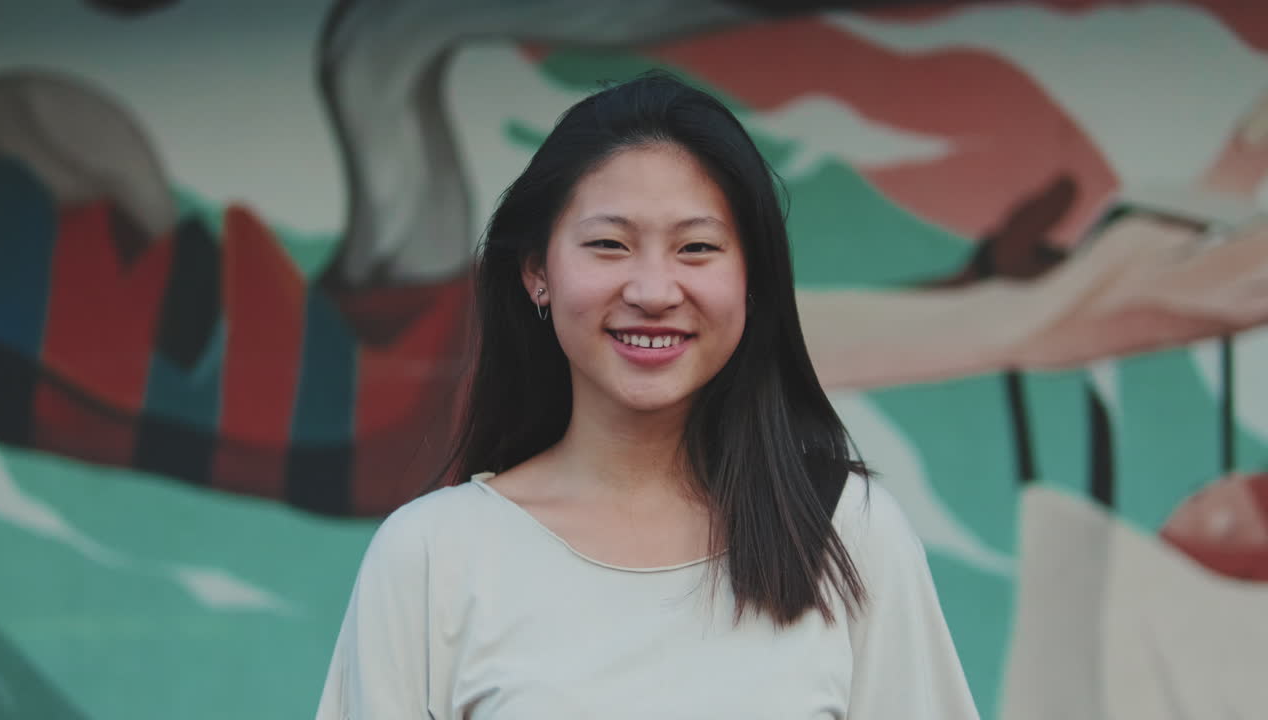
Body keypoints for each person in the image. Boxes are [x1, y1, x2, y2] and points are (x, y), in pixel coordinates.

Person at [314, 71, 979, 719]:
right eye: (609, 244)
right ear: (537, 274)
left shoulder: (845, 531)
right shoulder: (433, 556)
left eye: (696, 247)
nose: (653, 291)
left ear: (752, 280)